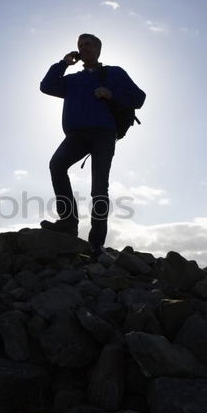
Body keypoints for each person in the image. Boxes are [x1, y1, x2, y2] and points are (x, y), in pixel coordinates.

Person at [39, 33, 146, 255]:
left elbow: (139, 98)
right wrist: (63, 64)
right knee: (56, 166)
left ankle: (96, 243)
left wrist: (111, 93)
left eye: (87, 44)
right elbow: (46, 86)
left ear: (98, 49)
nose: (83, 47)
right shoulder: (73, 80)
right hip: (76, 135)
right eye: (80, 45)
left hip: (103, 134)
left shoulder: (113, 73)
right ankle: (68, 223)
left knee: (98, 187)